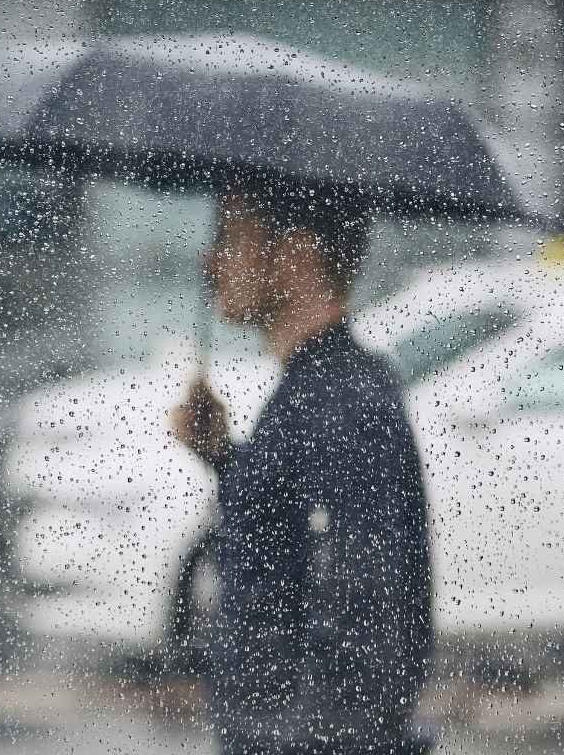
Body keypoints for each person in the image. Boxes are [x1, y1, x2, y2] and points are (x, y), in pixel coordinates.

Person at [172, 183, 434, 755]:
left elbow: (374, 606)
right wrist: (221, 453)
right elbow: (288, 538)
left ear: (298, 254)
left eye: (230, 236)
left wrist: (309, 737)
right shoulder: (314, 389)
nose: (209, 260)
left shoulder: (342, 400)